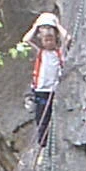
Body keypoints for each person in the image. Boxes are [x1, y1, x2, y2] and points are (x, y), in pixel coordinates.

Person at [21, 11, 71, 151]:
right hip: (41, 91)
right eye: (45, 40)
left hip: (55, 91)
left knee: (55, 118)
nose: (48, 42)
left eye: (51, 39)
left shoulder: (59, 52)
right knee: (42, 119)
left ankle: (53, 142)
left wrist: (56, 25)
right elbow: (25, 40)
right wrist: (36, 26)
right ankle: (43, 144)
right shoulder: (40, 53)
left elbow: (67, 39)